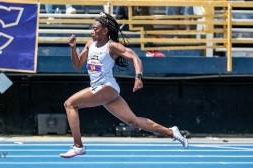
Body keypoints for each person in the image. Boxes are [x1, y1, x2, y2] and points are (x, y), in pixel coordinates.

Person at [59, 12, 188, 158]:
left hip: (107, 87)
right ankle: (171, 131)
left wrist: (138, 77)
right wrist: (72, 48)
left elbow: (134, 57)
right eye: (92, 28)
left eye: (95, 28)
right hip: (103, 90)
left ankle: (78, 146)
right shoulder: (90, 45)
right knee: (133, 121)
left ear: (105, 30)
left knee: (69, 104)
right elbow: (77, 65)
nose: (91, 31)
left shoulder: (112, 46)